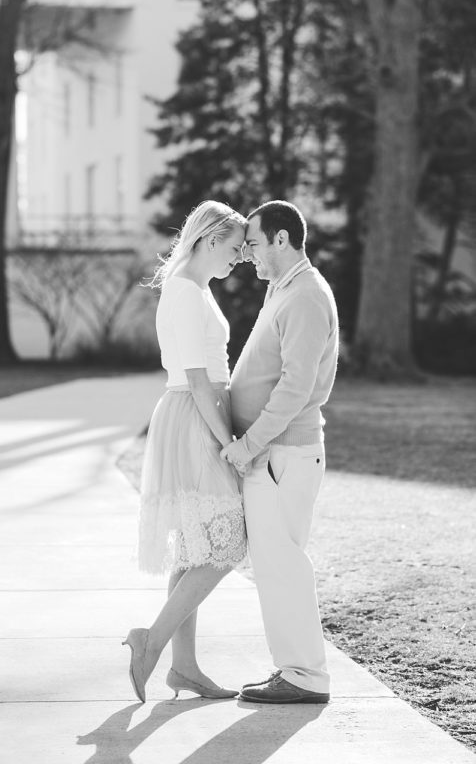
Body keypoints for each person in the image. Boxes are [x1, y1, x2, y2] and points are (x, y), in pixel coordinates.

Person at [123, 200, 248, 703]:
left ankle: (185, 668)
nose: (240, 258)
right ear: (210, 239)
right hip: (196, 420)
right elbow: (197, 379)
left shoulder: (194, 289)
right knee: (229, 542)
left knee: (196, 546)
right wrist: (229, 444)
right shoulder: (183, 292)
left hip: (198, 413)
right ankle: (150, 641)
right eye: (236, 248)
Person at [221, 200, 338, 705]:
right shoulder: (283, 291)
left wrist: (249, 444)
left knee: (282, 562)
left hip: (283, 455)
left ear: (282, 240)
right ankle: (295, 671)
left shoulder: (306, 296)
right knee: (273, 562)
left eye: (253, 242)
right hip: (274, 456)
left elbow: (295, 388)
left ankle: (305, 676)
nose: (247, 253)